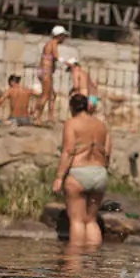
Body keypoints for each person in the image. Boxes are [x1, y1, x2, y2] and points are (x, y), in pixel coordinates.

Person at [53, 94, 111, 247]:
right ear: (86, 106)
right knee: (91, 221)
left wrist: (59, 178)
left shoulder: (72, 123)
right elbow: (107, 152)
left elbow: (68, 151)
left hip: (78, 172)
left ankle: (75, 266)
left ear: (72, 108)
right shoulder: (101, 125)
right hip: (99, 172)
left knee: (77, 221)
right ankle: (92, 264)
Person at [35, 26, 68, 125]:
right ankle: (36, 117)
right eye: (63, 36)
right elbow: (56, 56)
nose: (64, 39)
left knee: (52, 95)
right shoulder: (53, 43)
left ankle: (50, 117)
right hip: (46, 71)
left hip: (44, 71)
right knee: (45, 96)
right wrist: (68, 62)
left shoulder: (49, 44)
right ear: (59, 36)